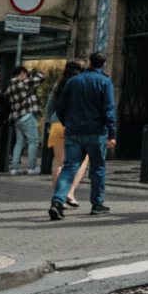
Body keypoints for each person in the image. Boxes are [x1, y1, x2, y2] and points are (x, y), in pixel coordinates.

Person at [48, 53, 117, 220]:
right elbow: (109, 109)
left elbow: (60, 106)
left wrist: (67, 123)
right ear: (103, 64)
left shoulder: (73, 81)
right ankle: (97, 204)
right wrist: (112, 133)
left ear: (89, 63)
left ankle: (57, 202)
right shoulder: (104, 82)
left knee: (69, 167)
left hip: (74, 132)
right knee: (98, 168)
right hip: (95, 132)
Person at [45, 62, 89, 207]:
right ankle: (69, 193)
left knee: (59, 163)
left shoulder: (59, 85)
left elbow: (50, 107)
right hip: (77, 126)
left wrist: (50, 122)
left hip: (57, 124)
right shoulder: (83, 85)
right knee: (82, 161)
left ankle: (58, 197)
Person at [7, 66, 46, 176]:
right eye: (25, 74)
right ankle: (31, 167)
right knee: (33, 141)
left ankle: (15, 168)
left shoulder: (10, 86)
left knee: (19, 142)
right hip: (26, 117)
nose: (26, 76)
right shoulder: (23, 84)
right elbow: (41, 78)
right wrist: (32, 71)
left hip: (16, 118)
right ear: (21, 74)